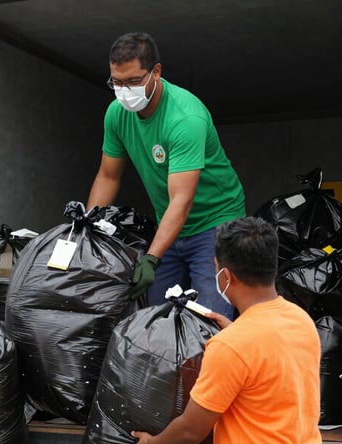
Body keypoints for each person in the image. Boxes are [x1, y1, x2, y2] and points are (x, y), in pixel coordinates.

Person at [120, 217, 327, 444]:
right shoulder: (299, 320)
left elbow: (190, 430)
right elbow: (268, 366)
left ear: (225, 275)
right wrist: (237, 335)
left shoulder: (231, 347)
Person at [87, 32, 245, 313]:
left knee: (210, 320)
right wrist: (89, 231)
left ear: (156, 72)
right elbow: (108, 176)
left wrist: (150, 259)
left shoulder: (185, 118)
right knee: (157, 319)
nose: (124, 90)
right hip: (169, 225)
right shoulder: (116, 114)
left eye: (133, 81)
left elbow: (181, 201)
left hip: (215, 225)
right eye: (117, 82)